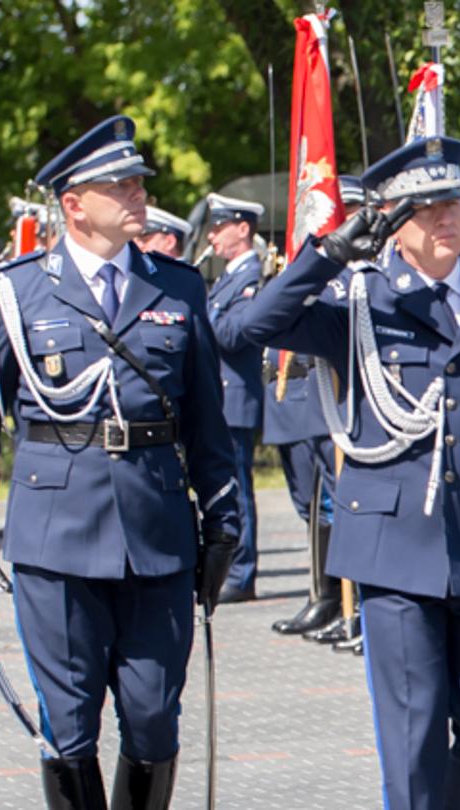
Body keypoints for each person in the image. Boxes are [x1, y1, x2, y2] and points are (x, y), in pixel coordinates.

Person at [241, 134, 460, 809]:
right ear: (390, 222)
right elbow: (249, 329)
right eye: (426, 208)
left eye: (455, 204)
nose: (447, 219)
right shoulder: (361, 298)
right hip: (392, 551)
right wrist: (327, 254)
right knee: (412, 745)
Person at [0, 114, 243, 809]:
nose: (138, 192)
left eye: (139, 180)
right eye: (120, 184)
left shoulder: (179, 288)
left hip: (157, 533)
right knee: (69, 724)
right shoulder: (17, 292)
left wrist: (224, 522)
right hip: (56, 534)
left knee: (151, 714)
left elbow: (206, 423)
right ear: (74, 204)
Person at [265, 175, 360, 643]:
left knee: (343, 502)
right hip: (307, 399)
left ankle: (353, 603)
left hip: (341, 399)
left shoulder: (357, 279)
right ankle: (327, 596)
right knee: (317, 505)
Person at [200, 192, 268, 604]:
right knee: (225, 486)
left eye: (220, 226)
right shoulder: (227, 278)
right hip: (221, 395)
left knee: (238, 489)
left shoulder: (251, 278)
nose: (213, 236)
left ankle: (242, 573)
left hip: (236, 396)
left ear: (243, 229)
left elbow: (230, 334)